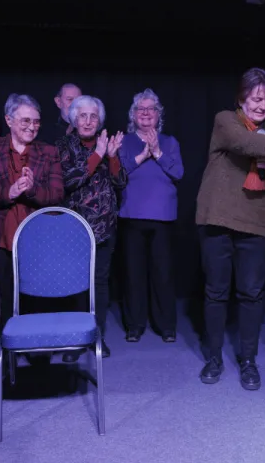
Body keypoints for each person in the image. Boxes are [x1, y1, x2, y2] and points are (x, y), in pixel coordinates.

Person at [196, 67, 265, 390]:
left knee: (252, 294)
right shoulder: (225, 121)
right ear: (241, 99)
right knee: (216, 292)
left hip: (255, 222)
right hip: (217, 217)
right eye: (256, 99)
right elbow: (243, 143)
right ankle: (214, 358)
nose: (262, 105)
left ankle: (248, 361)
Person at [0, 93, 64, 325]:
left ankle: (38, 341)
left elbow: (57, 195)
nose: (32, 127)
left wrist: (32, 190)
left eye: (36, 122)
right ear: (9, 120)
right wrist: (9, 193)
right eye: (26, 121)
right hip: (0, 235)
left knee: (37, 297)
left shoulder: (49, 152)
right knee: (3, 295)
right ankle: (3, 339)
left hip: (38, 235)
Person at [58, 95, 126, 359]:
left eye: (93, 116)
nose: (88, 121)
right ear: (74, 119)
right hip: (75, 227)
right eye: (83, 116)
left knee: (99, 282)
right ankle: (76, 339)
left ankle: (97, 336)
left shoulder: (106, 144)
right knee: (76, 283)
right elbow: (70, 180)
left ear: (100, 121)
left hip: (105, 226)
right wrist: (99, 154)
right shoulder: (64, 145)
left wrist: (112, 157)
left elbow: (121, 182)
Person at [118, 88, 184, 343]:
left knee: (163, 273)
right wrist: (142, 156)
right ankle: (135, 325)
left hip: (162, 217)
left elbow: (178, 173)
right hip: (131, 215)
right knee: (133, 274)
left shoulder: (170, 142)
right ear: (133, 115)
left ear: (158, 114)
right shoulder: (124, 141)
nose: (146, 113)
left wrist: (156, 153)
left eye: (151, 109)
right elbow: (119, 174)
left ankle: (166, 326)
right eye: (140, 109)